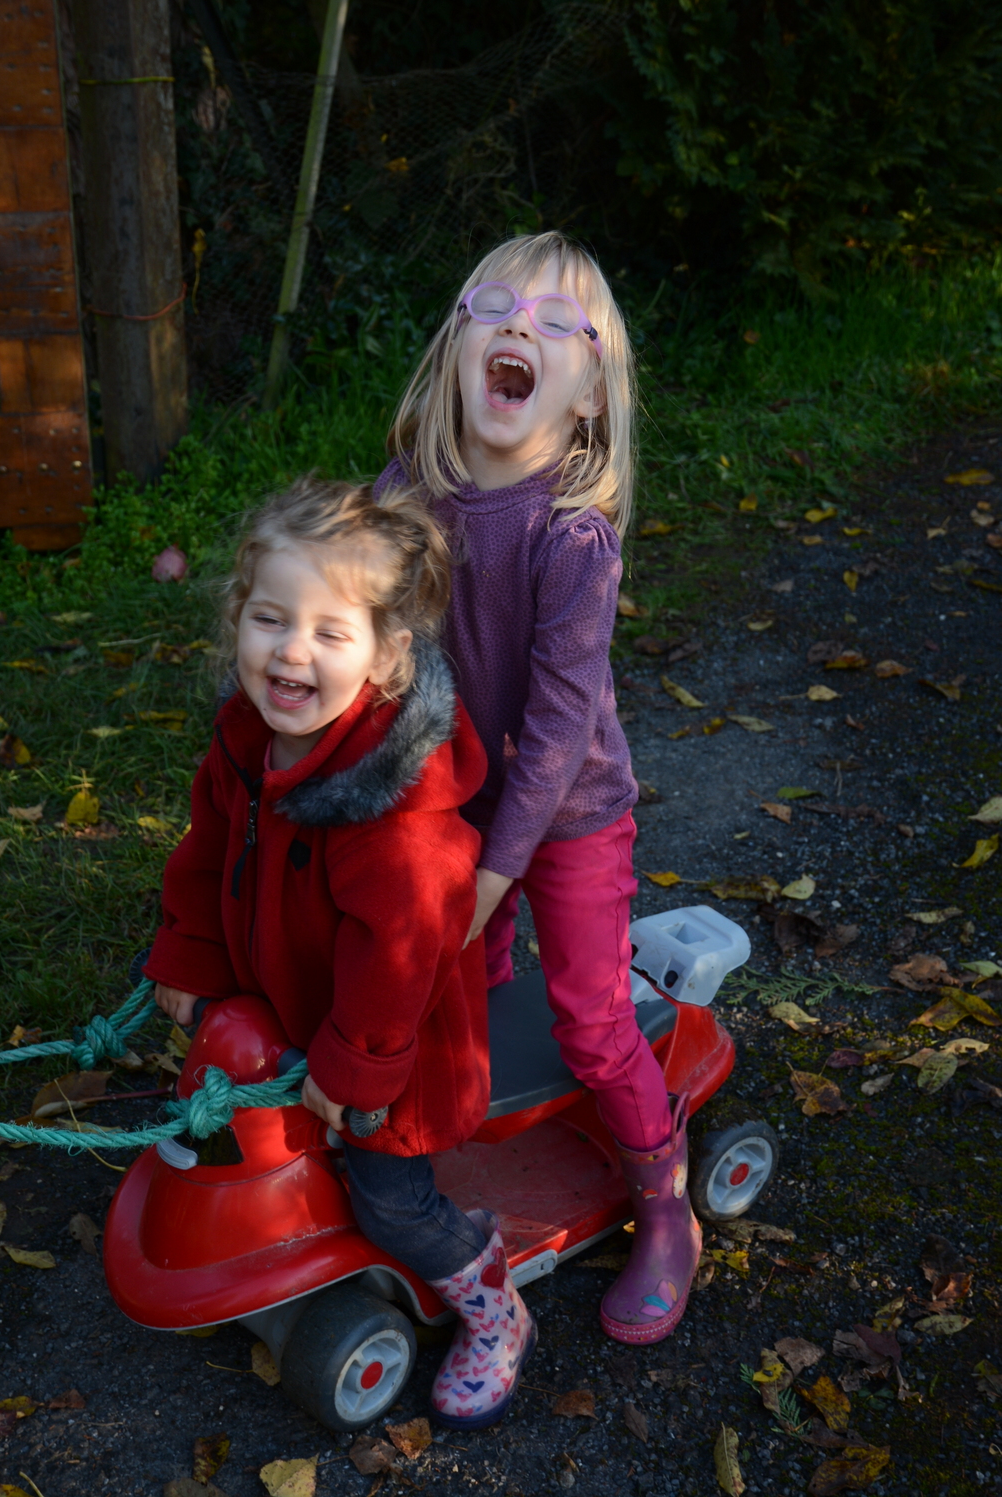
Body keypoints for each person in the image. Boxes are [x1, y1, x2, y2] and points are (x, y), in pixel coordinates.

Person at [142, 476, 534, 1426]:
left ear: (387, 655)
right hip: (291, 995)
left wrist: (356, 1065)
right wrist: (189, 958)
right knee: (264, 1119)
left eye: (329, 632)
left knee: (388, 1198)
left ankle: (494, 1309)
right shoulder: (246, 740)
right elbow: (206, 855)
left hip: (389, 1049)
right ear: (237, 617)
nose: (291, 652)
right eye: (270, 619)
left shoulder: (393, 811)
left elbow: (401, 952)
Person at [376, 231, 701, 1345]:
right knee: (457, 973)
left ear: (590, 396)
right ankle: (468, 1136)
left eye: (559, 322)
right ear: (457, 345)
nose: (521, 325)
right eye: (497, 306)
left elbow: (558, 730)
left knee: (592, 1018)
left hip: (566, 815)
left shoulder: (572, 537)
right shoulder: (407, 491)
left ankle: (666, 1205)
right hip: (453, 792)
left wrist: (495, 866)